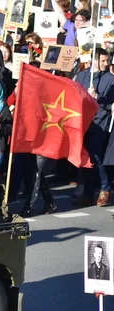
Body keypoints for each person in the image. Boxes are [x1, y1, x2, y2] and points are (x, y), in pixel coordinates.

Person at [73, 48, 114, 207]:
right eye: (102, 61)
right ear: (94, 60)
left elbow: (111, 103)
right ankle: (88, 193)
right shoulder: (82, 76)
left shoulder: (111, 79)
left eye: (107, 60)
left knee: (95, 155)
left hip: (101, 122)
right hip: (83, 122)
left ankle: (105, 187)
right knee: (85, 157)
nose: (106, 63)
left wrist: (98, 98)